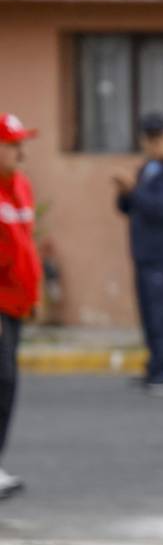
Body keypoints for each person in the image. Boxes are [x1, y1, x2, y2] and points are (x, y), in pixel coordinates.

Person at [115, 112, 163, 397]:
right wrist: (125, 192)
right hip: (144, 253)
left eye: (160, 138)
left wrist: (133, 191)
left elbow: (160, 209)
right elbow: (128, 208)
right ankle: (156, 366)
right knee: (149, 314)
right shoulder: (147, 168)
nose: (155, 144)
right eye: (150, 138)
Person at [0, 113, 43, 500]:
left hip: (14, 306)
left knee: (7, 384)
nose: (20, 152)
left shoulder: (21, 187)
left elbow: (22, 248)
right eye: (12, 144)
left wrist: (30, 298)